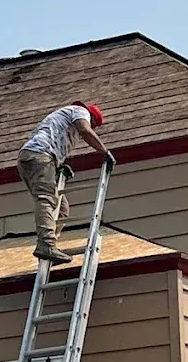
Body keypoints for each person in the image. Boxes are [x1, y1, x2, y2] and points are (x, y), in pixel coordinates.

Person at [17, 103, 115, 264]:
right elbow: (85, 129)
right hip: (40, 156)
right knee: (46, 199)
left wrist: (58, 166)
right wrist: (105, 152)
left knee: (61, 208)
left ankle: (49, 248)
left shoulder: (61, 118)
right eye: (94, 125)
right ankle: (46, 245)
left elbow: (52, 138)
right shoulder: (80, 111)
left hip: (34, 158)